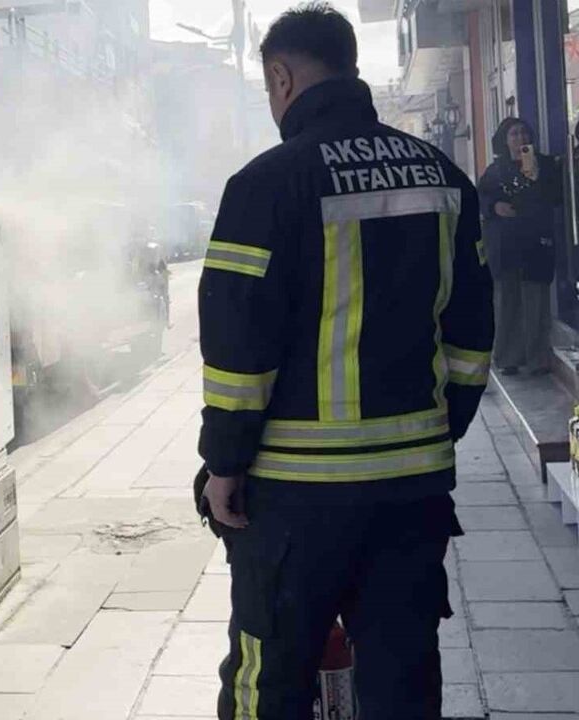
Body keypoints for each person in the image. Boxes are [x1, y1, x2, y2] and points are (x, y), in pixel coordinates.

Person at [197, 5, 494, 718]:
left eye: (269, 88)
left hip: (297, 499)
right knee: (404, 678)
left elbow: (239, 350)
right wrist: (432, 429)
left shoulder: (268, 183)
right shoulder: (444, 176)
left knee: (271, 677)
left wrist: (225, 464)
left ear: (282, 75)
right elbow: (473, 339)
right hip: (412, 491)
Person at [478, 117, 561, 376]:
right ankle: (508, 358)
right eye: (514, 134)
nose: (520, 138)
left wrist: (537, 174)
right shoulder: (495, 171)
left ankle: (538, 358)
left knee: (536, 301)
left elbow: (558, 196)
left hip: (536, 243)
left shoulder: (545, 165)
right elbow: (480, 200)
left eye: (524, 133)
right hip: (506, 246)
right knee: (508, 303)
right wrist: (495, 207)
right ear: (505, 140)